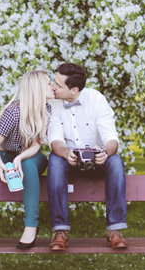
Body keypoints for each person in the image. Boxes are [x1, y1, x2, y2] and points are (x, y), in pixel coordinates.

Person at [46, 62, 128, 251]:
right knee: (55, 161)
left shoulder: (96, 99)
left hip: (96, 158)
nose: (53, 87)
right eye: (54, 82)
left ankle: (115, 230)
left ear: (74, 90)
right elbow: (55, 139)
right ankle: (60, 231)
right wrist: (66, 153)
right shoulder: (53, 104)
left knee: (115, 162)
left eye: (58, 85)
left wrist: (104, 153)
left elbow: (111, 138)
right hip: (69, 159)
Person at [0, 70, 52, 250]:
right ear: (38, 88)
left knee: (28, 166)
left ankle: (31, 226)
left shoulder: (47, 110)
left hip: (30, 156)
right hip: (4, 154)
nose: (52, 87)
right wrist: (0, 165)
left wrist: (20, 157)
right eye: (49, 83)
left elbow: (36, 145)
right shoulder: (12, 113)